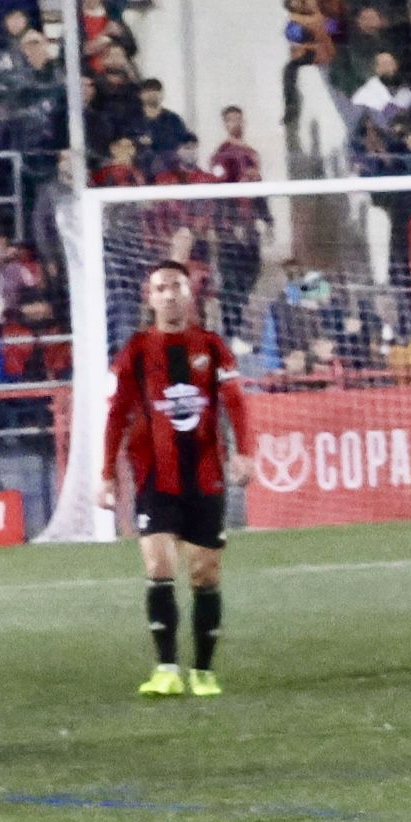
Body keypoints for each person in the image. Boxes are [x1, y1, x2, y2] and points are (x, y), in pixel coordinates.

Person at [97, 260, 251, 697]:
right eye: (160, 288)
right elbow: (116, 415)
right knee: (158, 566)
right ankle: (166, 668)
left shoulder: (212, 346)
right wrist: (107, 474)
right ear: (149, 297)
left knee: (205, 573)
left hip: (204, 476)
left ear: (190, 293)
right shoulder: (135, 351)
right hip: (153, 477)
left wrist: (245, 452)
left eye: (176, 287)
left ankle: (202, 670)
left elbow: (236, 402)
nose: (168, 295)